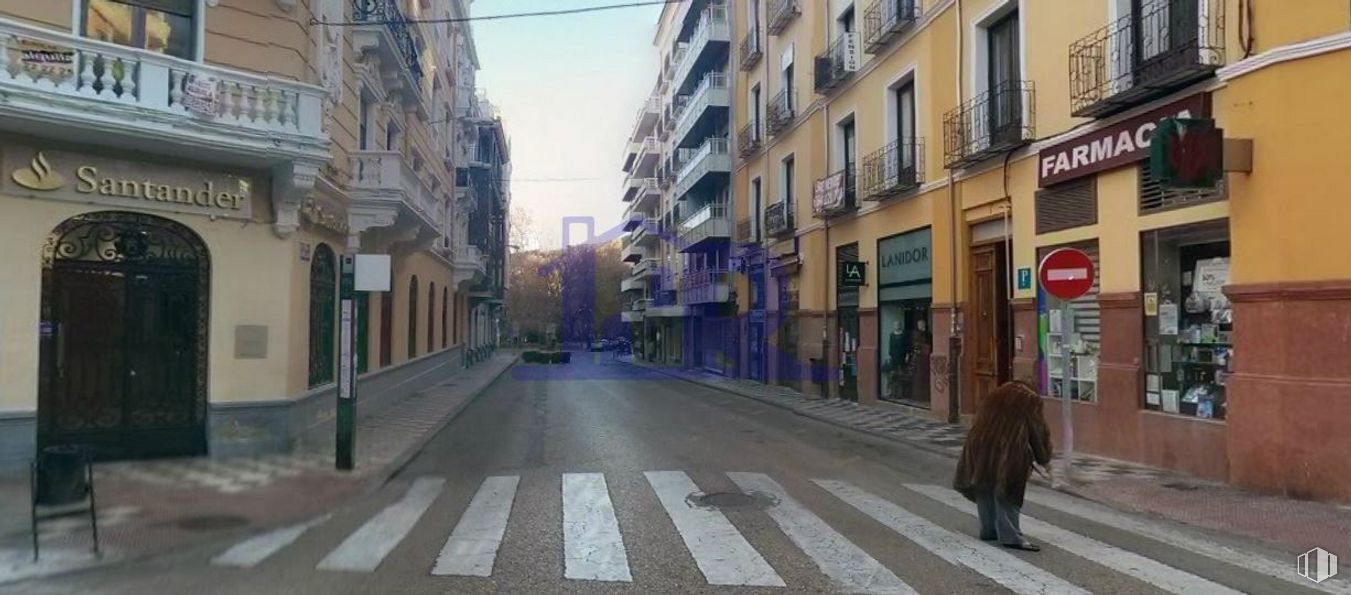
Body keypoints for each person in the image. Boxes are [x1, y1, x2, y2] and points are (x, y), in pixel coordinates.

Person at [952, 381, 1053, 551]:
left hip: (979, 444)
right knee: (1008, 490)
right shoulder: (1030, 399)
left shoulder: (994, 394)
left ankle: (988, 529)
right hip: (1009, 448)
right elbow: (1037, 430)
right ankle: (1011, 536)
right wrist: (1044, 459)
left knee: (984, 485)